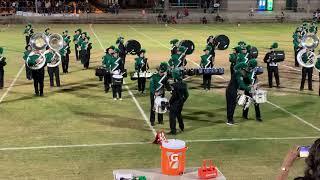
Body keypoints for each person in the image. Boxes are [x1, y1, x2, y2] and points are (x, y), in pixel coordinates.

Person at [168, 68, 189, 135]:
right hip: (181, 103)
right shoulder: (184, 84)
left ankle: (173, 131)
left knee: (172, 116)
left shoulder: (174, 85)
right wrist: (183, 100)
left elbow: (174, 96)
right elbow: (187, 95)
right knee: (179, 114)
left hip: (175, 103)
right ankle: (182, 127)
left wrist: (170, 102)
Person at [149, 62, 171, 126]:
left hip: (161, 93)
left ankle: (160, 120)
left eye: (163, 72)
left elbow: (167, 86)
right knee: (153, 107)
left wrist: (170, 89)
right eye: (161, 72)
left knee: (161, 106)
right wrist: (154, 93)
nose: (162, 73)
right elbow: (151, 86)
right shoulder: (154, 76)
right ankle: (152, 121)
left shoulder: (164, 77)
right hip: (154, 94)